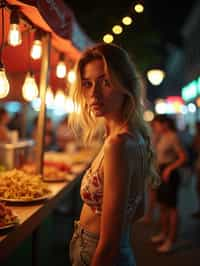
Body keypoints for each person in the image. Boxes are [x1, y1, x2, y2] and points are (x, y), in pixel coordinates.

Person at [68, 43, 159, 266]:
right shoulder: (134, 137)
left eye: (105, 82)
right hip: (116, 249)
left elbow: (108, 245)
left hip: (97, 252)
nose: (93, 94)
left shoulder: (117, 144)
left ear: (125, 84)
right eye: (87, 84)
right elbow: (138, 210)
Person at [150, 115, 187, 253]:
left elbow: (183, 158)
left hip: (170, 174)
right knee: (163, 206)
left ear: (165, 124)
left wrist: (169, 169)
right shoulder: (161, 136)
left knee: (172, 208)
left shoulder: (173, 136)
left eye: (157, 124)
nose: (155, 127)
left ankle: (171, 240)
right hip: (161, 171)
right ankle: (164, 234)